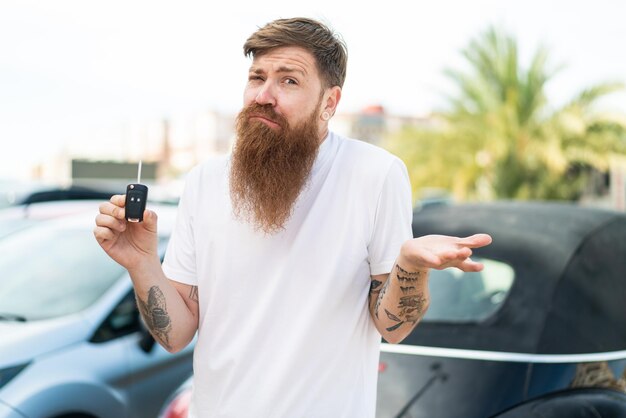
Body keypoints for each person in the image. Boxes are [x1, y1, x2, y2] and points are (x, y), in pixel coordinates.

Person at [93, 17, 492, 418]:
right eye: (257, 77)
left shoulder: (375, 174)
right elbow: (176, 334)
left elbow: (394, 327)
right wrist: (141, 261)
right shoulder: (205, 180)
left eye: (289, 81)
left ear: (330, 103)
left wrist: (409, 266)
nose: (264, 95)